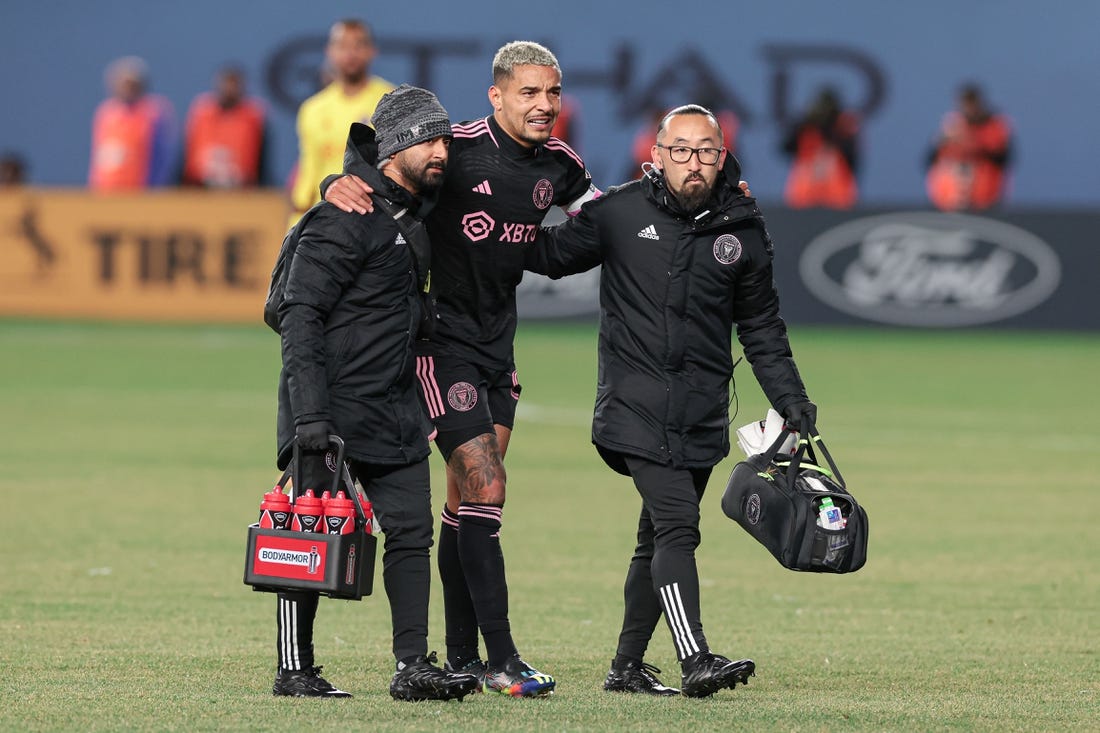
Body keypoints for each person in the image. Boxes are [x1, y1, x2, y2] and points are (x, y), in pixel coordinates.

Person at [322, 41, 600, 698]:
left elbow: (602, 217)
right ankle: (502, 657)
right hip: (435, 342)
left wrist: (544, 247)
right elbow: (385, 158)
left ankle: (460, 655)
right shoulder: (458, 148)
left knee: (465, 502)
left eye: (553, 93)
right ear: (496, 96)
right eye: (529, 93)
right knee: (486, 483)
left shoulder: (560, 166)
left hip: (496, 347)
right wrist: (339, 179)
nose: (544, 106)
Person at [524, 104, 817, 698]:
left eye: (706, 151)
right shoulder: (620, 211)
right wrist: (506, 204)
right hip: (632, 405)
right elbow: (547, 256)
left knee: (655, 538)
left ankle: (626, 667)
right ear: (655, 154)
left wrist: (791, 399)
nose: (693, 162)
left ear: (722, 156)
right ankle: (695, 659)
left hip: (702, 408)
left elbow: (760, 326)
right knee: (680, 524)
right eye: (679, 150)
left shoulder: (744, 228)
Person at [270, 84, 479, 702]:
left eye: (445, 138)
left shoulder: (420, 209)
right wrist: (310, 414)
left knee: (413, 532)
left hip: (393, 404)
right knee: (307, 536)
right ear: (395, 148)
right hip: (328, 408)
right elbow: (299, 313)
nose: (442, 149)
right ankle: (294, 669)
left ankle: (411, 665)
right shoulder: (345, 216)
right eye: (430, 139)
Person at [287, 18, 395, 226]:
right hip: (323, 217)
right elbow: (309, 168)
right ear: (330, 51)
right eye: (343, 46)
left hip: (375, 217)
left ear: (372, 50)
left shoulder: (391, 100)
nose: (350, 53)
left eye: (358, 45)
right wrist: (296, 221)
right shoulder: (312, 109)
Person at [88, 56, 177, 190]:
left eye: (132, 84)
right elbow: (99, 154)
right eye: (123, 83)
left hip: (139, 190)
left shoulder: (154, 113)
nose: (127, 89)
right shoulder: (105, 112)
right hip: (106, 189)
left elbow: (161, 156)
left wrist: (155, 187)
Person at [925, 83, 1013, 211]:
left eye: (972, 103)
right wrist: (942, 141)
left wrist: (975, 144)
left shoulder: (995, 126)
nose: (969, 108)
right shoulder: (952, 126)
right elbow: (930, 160)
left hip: (985, 202)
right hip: (949, 203)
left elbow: (1004, 159)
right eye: (966, 103)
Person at [182, 65, 268, 187]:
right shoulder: (201, 112)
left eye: (233, 84)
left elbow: (261, 158)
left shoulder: (253, 115)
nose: (229, 89)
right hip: (201, 186)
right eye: (226, 83)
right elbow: (189, 152)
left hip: (242, 187)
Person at [780, 86, 860, 209]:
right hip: (804, 195)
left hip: (837, 196)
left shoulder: (843, 128)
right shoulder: (804, 128)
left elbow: (853, 158)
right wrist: (803, 124)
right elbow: (786, 147)